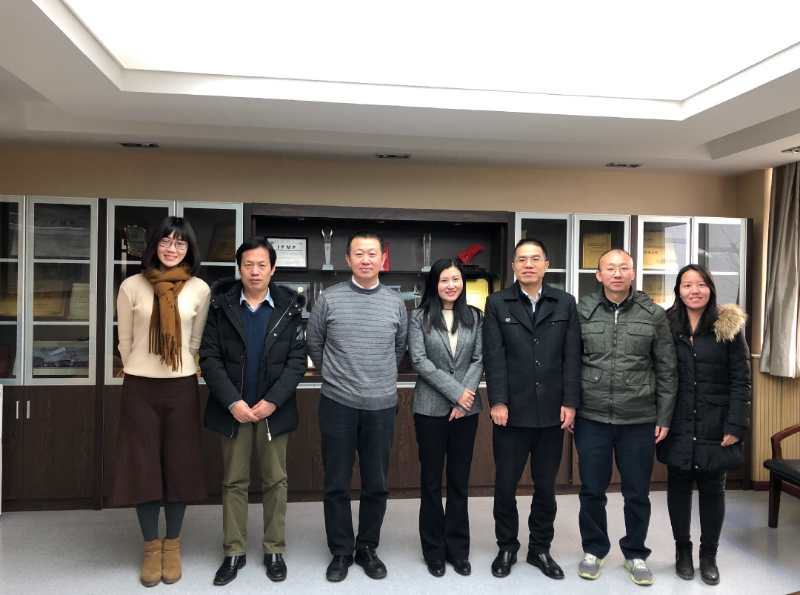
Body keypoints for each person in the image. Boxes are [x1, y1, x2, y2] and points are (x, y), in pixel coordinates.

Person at [200, 237, 307, 586]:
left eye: (262, 265)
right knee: (234, 482)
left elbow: (297, 361)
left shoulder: (289, 308)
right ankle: (234, 551)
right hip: (235, 410)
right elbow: (209, 357)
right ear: (240, 269)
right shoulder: (221, 306)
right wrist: (233, 402)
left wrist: (273, 401)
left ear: (273, 269)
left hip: (273, 410)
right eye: (248, 265)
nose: (255, 271)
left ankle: (274, 549)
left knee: (276, 481)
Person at [111, 216, 210, 587]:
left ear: (189, 248)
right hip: (139, 387)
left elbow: (195, 341)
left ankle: (173, 545)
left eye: (180, 243)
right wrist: (142, 365)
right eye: (166, 241)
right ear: (154, 245)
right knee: (143, 467)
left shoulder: (199, 288)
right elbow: (124, 341)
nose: (172, 249)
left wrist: (179, 364)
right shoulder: (132, 286)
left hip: (182, 386)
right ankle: (151, 547)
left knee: (179, 465)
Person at [306, 231, 408, 582]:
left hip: (381, 405)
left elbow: (398, 348)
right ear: (348, 259)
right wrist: (339, 376)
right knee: (336, 482)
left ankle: (367, 547)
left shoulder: (395, 302)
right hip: (338, 403)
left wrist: (375, 380)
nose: (366, 260)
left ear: (383, 259)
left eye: (372, 253)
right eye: (359, 254)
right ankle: (340, 550)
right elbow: (314, 344)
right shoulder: (329, 299)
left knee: (376, 482)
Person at [575, 248, 676, 586]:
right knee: (592, 489)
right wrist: (571, 406)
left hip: (639, 418)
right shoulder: (583, 311)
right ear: (599, 275)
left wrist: (664, 416)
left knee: (637, 492)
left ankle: (635, 553)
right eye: (610, 268)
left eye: (624, 268)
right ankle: (594, 549)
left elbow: (667, 369)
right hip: (592, 417)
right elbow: (569, 363)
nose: (617, 274)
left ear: (633, 273)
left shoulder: (653, 315)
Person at [482, 238, 581, 580]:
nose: (528, 264)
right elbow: (494, 356)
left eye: (535, 259)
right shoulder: (498, 303)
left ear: (546, 264)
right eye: (522, 259)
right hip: (511, 412)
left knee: (545, 487)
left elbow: (572, 356)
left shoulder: (564, 302)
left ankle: (540, 548)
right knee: (505, 485)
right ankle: (507, 546)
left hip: (552, 412)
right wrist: (497, 400)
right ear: (513, 266)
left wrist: (570, 402)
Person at [656, 264, 751, 586]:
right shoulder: (666, 324)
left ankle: (708, 555)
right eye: (687, 285)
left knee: (713, 489)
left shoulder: (728, 325)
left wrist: (735, 424)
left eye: (700, 284)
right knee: (678, 487)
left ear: (710, 288)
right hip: (677, 421)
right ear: (678, 291)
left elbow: (741, 380)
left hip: (716, 421)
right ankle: (682, 551)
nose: (694, 290)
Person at [408, 258, 483, 578]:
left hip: (466, 411)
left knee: (458, 481)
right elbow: (419, 361)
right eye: (444, 280)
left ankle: (458, 549)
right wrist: (457, 393)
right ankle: (433, 550)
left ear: (463, 283)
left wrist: (465, 399)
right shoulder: (419, 317)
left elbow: (479, 358)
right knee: (430, 481)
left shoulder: (475, 316)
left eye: (456, 279)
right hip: (430, 409)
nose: (450, 285)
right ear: (434, 284)